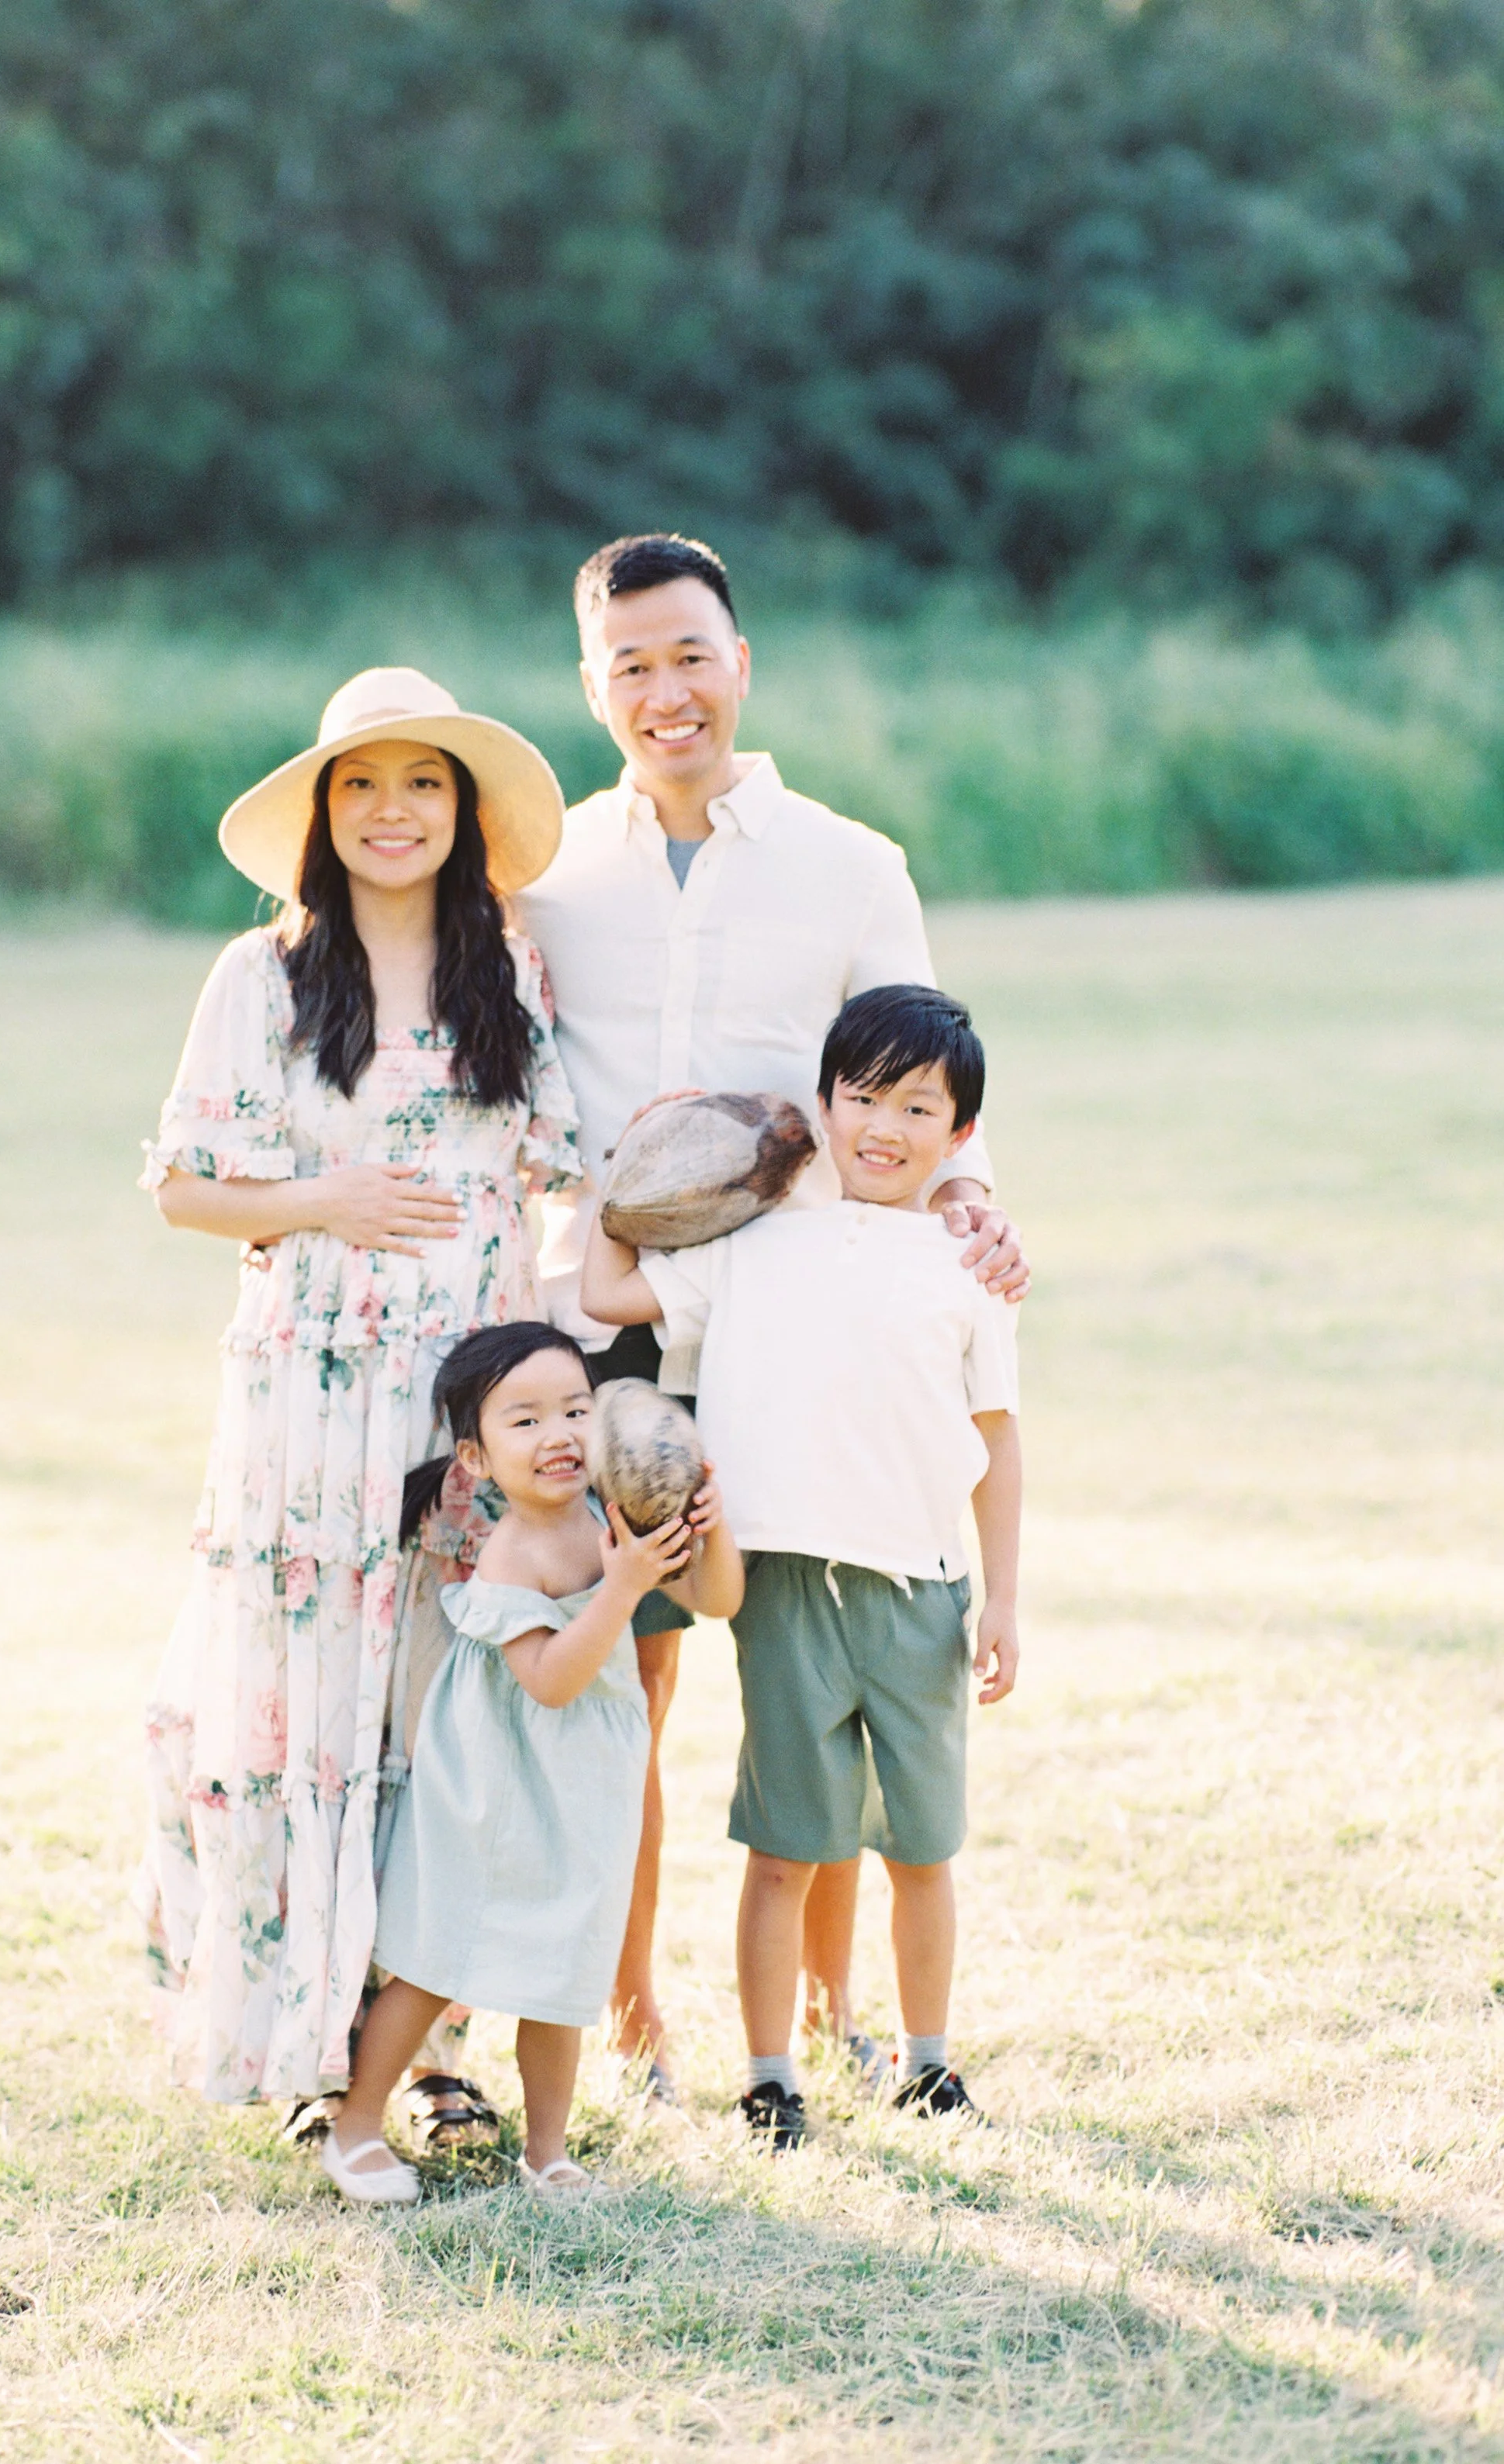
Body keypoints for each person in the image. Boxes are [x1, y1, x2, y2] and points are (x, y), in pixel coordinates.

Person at [514, 531, 1029, 2092]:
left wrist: (976, 1213)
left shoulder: (850, 863)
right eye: (630, 665)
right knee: (631, 1675)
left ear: (739, 662)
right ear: (592, 687)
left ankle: (829, 2015)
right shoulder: (552, 881)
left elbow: (923, 1076)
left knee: (812, 1659)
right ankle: (631, 2014)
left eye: (689, 655)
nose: (664, 690)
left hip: (795, 1327)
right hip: (619, 1336)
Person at [135, 669, 583, 2117]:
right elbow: (183, 1190)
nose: (394, 812)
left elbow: (571, 1164)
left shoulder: (506, 972)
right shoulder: (260, 974)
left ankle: (424, 2047)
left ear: (462, 813)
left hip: (471, 1389)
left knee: (436, 1709)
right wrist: (323, 1193)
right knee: (303, 1701)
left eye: (425, 784)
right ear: (326, 814)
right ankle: (297, 2040)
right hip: (312, 1394)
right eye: (362, 785)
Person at [582, 985, 1021, 2144]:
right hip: (779, 1591)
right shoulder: (753, 1244)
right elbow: (603, 1291)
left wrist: (1004, 1601)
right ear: (824, 1105)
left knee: (921, 1850)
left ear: (960, 1133)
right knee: (782, 1849)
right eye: (861, 1096)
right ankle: (770, 2075)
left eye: (916, 1106)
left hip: (920, 1590)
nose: (883, 1126)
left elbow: (996, 1444)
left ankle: (928, 2062)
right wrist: (623, 1181)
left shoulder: (968, 1263)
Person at [321, 1324, 743, 2203]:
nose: (559, 1435)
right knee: (440, 1952)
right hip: (492, 1786)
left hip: (583, 1784)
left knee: (567, 1965)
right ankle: (357, 2125)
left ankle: (547, 2151)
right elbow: (549, 1681)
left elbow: (716, 1598)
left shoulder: (609, 1518)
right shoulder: (516, 1547)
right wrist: (623, 1587)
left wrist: (711, 1526)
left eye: (576, 1410)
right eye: (526, 1420)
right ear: (473, 1457)